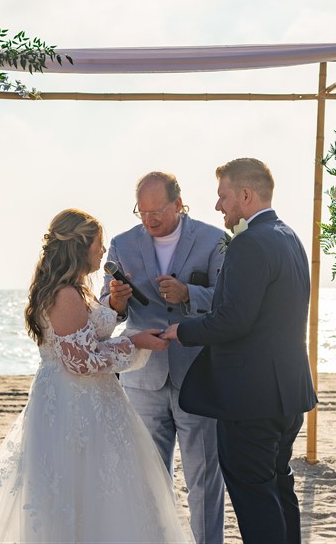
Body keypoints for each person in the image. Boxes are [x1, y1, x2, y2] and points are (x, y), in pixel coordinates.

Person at [0, 209, 191, 543]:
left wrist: (114, 308)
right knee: (80, 491)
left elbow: (87, 335)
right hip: (74, 406)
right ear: (80, 247)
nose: (103, 251)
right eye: (99, 244)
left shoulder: (76, 289)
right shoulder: (65, 295)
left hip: (90, 399)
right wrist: (135, 342)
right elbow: (82, 361)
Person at [163, 158, 317, 544]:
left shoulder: (249, 243)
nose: (218, 205)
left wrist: (182, 331)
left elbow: (234, 319)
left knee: (255, 499)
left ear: (245, 195)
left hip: (251, 400)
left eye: (223, 196)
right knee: (278, 487)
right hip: (287, 394)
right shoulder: (289, 237)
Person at [101, 172, 226, 544]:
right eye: (142, 212)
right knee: (149, 480)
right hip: (142, 378)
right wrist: (116, 302)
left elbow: (228, 300)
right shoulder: (122, 244)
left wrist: (189, 293)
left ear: (178, 203)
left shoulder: (213, 239)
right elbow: (106, 310)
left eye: (157, 211)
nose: (149, 219)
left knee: (204, 478)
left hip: (198, 375)